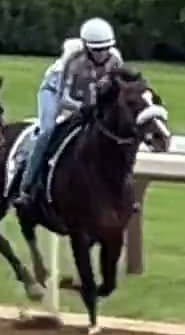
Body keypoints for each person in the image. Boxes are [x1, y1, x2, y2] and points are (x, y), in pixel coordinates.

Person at [17, 17, 124, 209]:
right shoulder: (73, 60)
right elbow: (63, 98)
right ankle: (27, 186)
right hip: (54, 91)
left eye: (106, 48)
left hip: (86, 94)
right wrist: (82, 107)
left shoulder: (115, 59)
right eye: (97, 50)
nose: (102, 54)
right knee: (47, 131)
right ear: (86, 47)